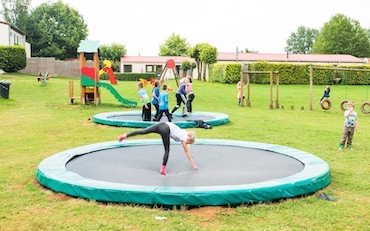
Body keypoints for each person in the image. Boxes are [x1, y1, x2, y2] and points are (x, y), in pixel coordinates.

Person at [117, 122, 198, 175]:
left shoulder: (186, 133)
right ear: (189, 140)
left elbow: (188, 146)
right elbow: (186, 151)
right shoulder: (184, 139)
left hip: (162, 124)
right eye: (189, 142)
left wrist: (189, 151)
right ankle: (163, 169)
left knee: (143, 131)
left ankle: (125, 136)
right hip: (166, 129)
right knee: (167, 150)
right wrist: (192, 163)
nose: (187, 144)